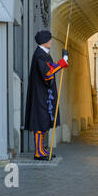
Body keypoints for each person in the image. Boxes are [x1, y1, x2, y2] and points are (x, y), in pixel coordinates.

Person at [25, 30, 69, 160]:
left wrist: (62, 62)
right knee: (39, 121)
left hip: (45, 94)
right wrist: (62, 62)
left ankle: (42, 149)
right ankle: (38, 152)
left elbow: (52, 67)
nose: (51, 41)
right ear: (44, 41)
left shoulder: (45, 54)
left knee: (44, 121)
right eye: (49, 39)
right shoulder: (39, 55)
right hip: (40, 94)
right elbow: (47, 73)